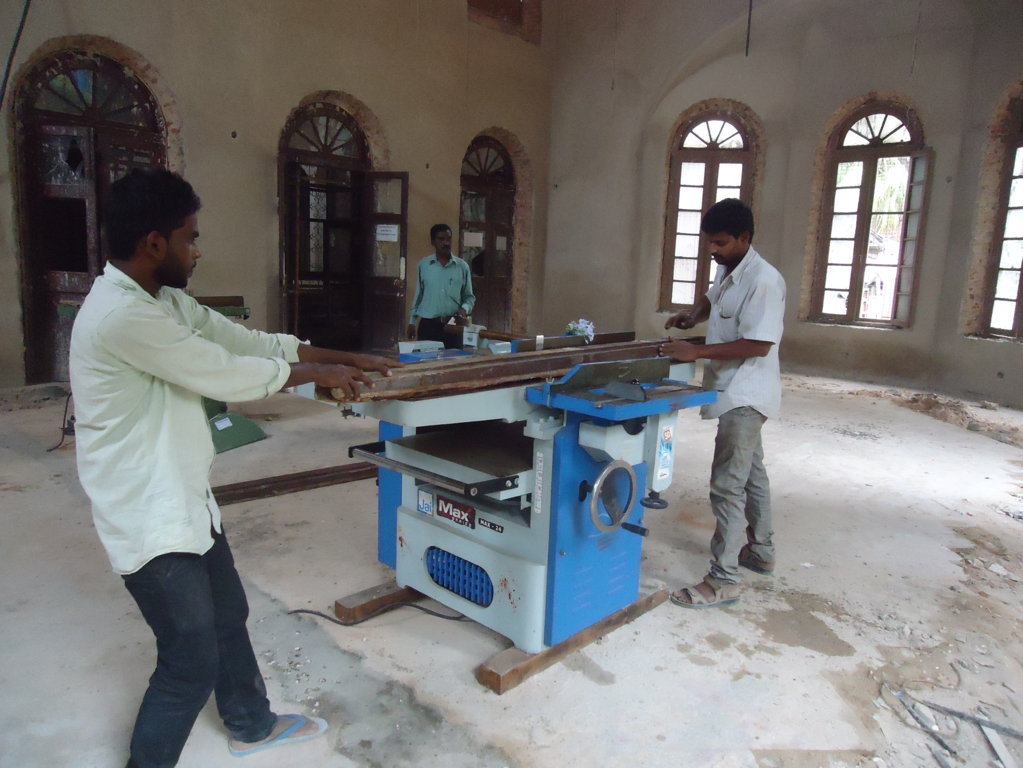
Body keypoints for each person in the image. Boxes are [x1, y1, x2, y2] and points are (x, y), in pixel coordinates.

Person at [69, 168, 399, 767]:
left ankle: (251, 723)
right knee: (189, 661)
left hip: (185, 500)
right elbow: (222, 371)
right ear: (154, 243)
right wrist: (314, 375)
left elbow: (250, 344)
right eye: (190, 238)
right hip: (147, 517)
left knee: (227, 615)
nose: (196, 251)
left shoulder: (163, 301)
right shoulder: (122, 317)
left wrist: (345, 356)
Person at [659, 198, 786, 609]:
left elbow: (759, 344)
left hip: (746, 393)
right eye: (709, 243)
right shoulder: (730, 266)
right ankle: (761, 551)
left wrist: (695, 352)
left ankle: (724, 579)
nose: (712, 250)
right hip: (733, 388)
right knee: (752, 474)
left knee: (728, 484)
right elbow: (714, 298)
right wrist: (692, 315)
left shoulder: (764, 281)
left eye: (720, 243)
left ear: (744, 237)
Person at [406, 223, 475, 349]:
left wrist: (464, 309)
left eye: (448, 239)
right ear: (433, 242)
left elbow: (469, 297)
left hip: (453, 325)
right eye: (441, 239)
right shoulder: (424, 265)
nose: (446, 243)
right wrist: (412, 322)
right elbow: (418, 295)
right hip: (428, 325)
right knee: (428, 360)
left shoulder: (462, 267)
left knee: (453, 359)